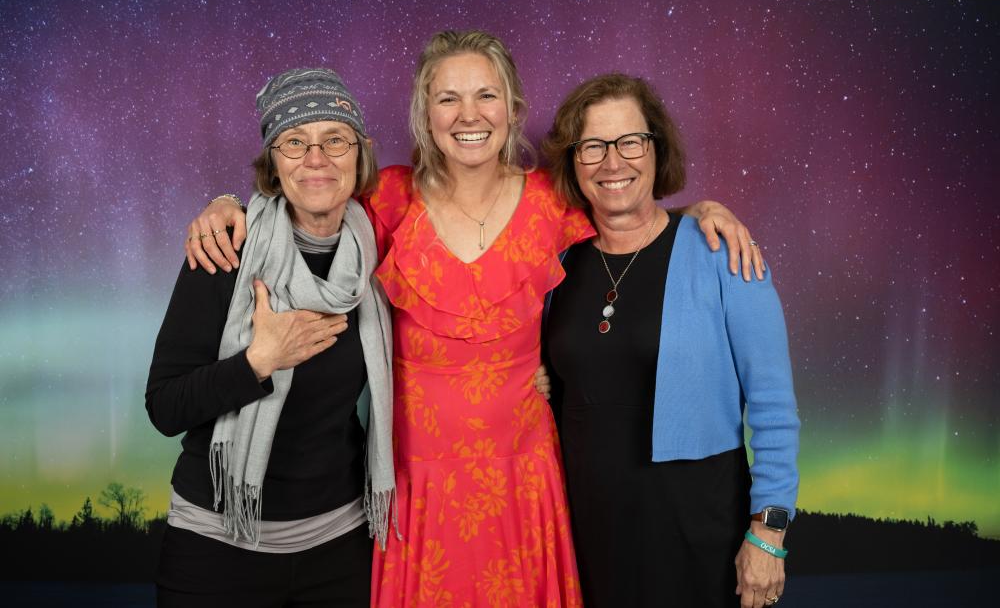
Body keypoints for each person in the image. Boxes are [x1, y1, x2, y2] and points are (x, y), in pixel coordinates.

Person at [184, 31, 763, 607]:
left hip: (524, 480)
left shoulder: (551, 201)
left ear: (512, 111)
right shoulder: (388, 199)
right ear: (425, 115)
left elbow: (629, 213)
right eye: (448, 99)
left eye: (486, 96)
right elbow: (305, 199)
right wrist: (228, 203)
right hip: (418, 483)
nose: (469, 115)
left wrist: (699, 212)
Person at [539, 73, 799, 608]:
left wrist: (768, 532)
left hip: (697, 530)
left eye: (630, 141)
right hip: (587, 531)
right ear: (573, 161)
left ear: (657, 150)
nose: (613, 163)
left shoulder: (724, 254)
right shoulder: (557, 265)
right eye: (593, 146)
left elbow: (773, 405)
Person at [146, 68, 395, 607]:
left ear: (360, 154)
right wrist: (259, 360)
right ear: (273, 163)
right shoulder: (225, 252)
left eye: (335, 139)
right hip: (217, 551)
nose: (316, 158)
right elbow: (165, 407)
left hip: (340, 549)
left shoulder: (382, 251)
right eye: (294, 141)